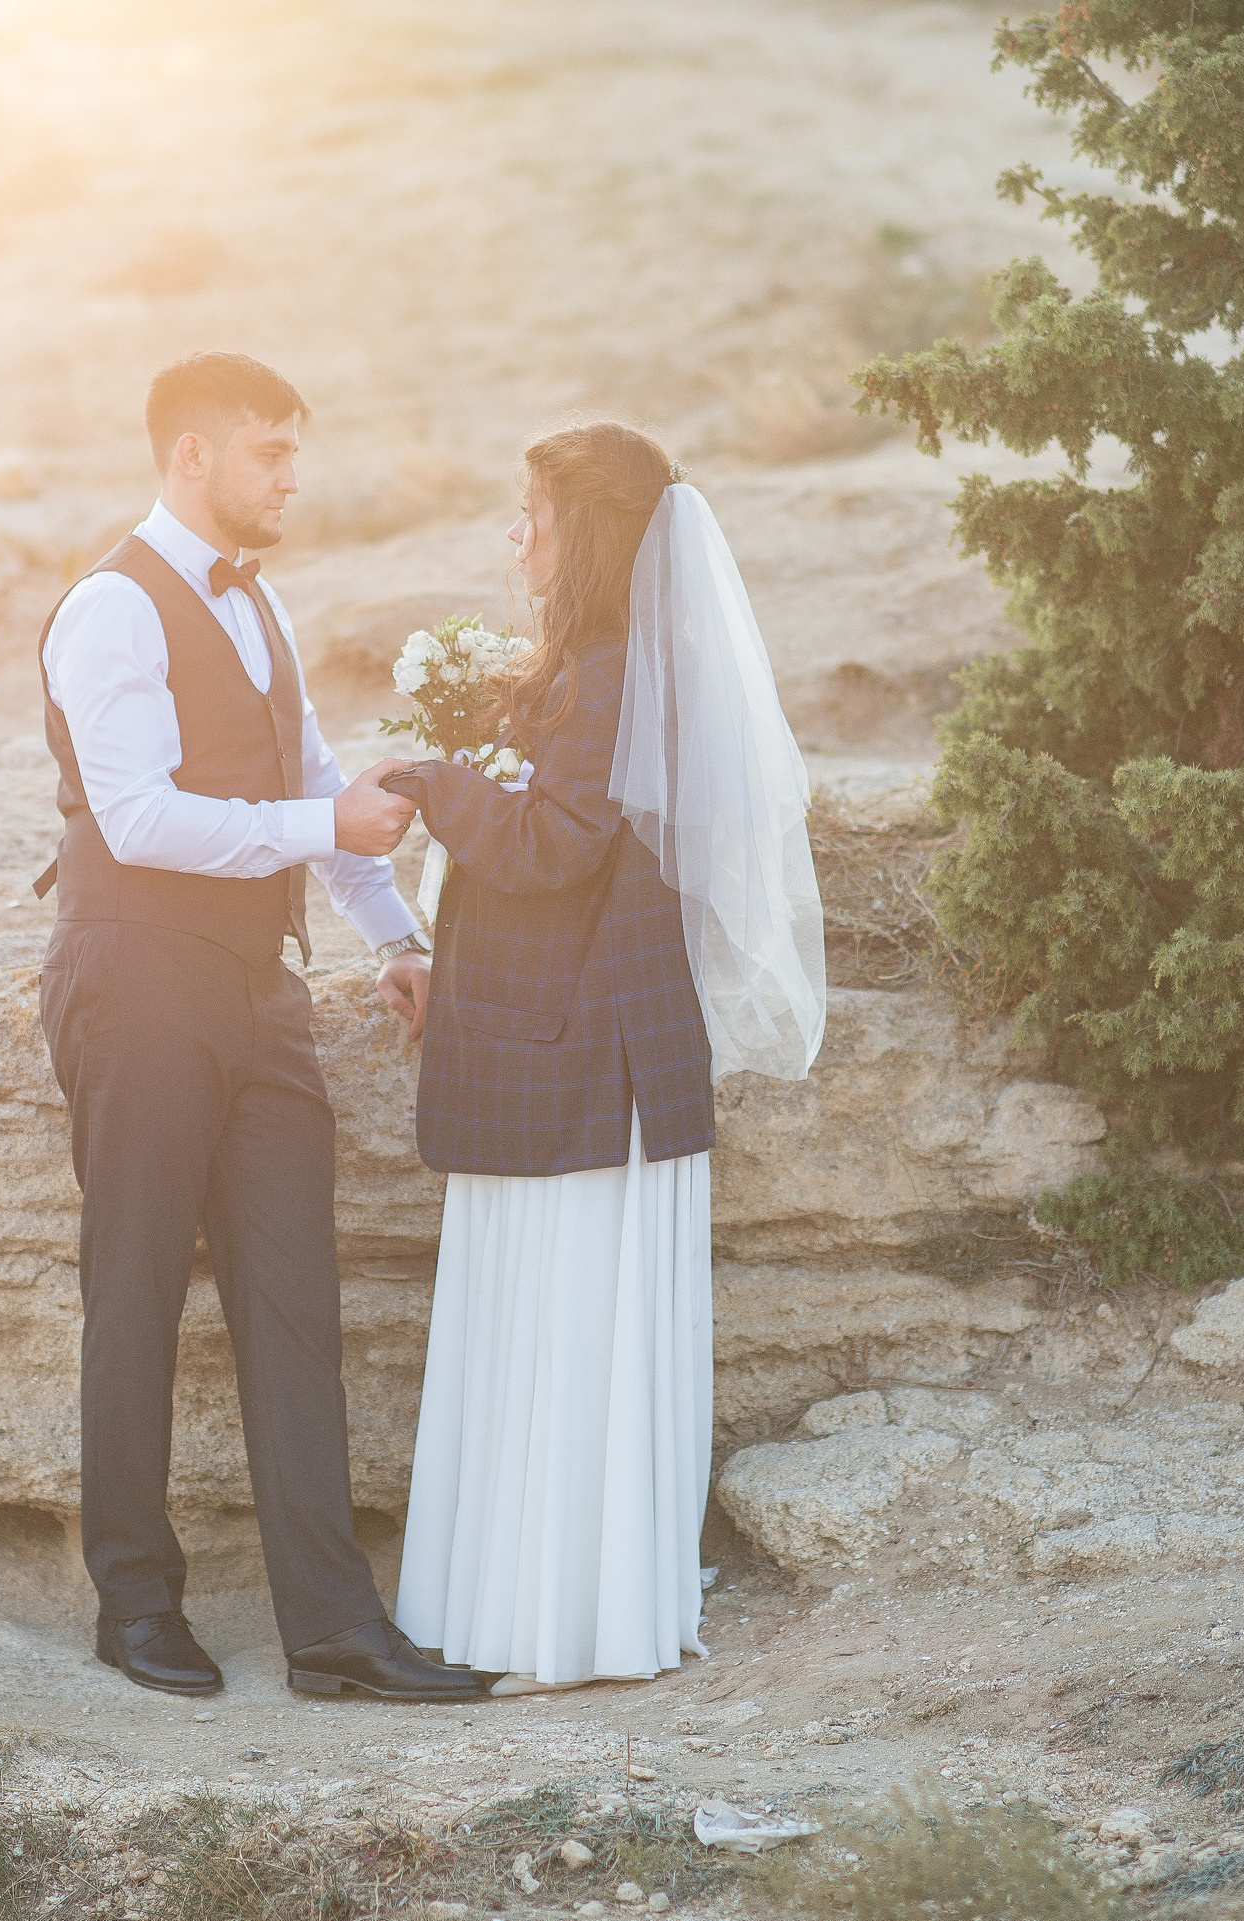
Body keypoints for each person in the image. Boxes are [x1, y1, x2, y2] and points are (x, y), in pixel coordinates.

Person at [34, 351, 477, 1703]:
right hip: (136, 977)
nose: (291, 476)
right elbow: (142, 818)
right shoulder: (109, 608)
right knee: (139, 1288)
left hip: (259, 990)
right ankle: (135, 1601)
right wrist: (318, 829)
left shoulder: (260, 601)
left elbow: (316, 786)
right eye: (268, 452)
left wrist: (396, 934)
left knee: (297, 1300)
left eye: (295, 452)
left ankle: (334, 1630)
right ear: (192, 458)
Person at [386, 421, 826, 1693]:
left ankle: (558, 1625)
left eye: (529, 511)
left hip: (583, 1064)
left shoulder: (616, 668)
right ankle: (541, 1609)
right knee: (554, 1340)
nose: (512, 534)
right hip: (566, 1046)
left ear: (585, 532)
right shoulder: (596, 664)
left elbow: (556, 842)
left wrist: (428, 780)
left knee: (565, 1336)